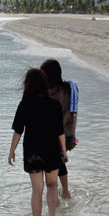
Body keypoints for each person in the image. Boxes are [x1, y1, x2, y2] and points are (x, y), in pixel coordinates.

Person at [9, 68, 67, 216]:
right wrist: (63, 150)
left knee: (37, 189)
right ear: (44, 84)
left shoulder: (24, 105)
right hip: (51, 151)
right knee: (52, 185)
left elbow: (18, 130)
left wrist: (11, 151)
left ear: (27, 85)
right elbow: (60, 131)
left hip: (32, 152)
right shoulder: (54, 105)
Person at [39, 59, 78, 199]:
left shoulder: (47, 93)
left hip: (53, 136)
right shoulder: (70, 88)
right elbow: (74, 114)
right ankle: (65, 191)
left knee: (54, 164)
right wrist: (73, 136)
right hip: (68, 133)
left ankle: (57, 194)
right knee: (59, 162)